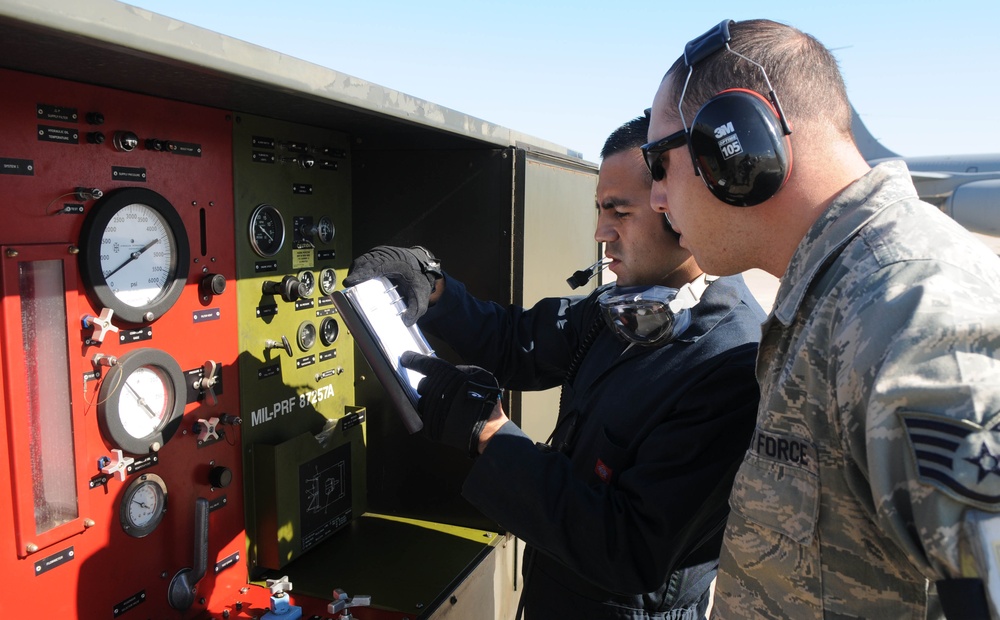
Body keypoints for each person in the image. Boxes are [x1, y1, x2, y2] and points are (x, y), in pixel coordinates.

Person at [645, 18, 1000, 619]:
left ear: (736, 145)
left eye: (659, 161)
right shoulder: (837, 295)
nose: (657, 196)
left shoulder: (905, 312)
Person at [344, 115, 766, 619]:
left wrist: (490, 434)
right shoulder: (623, 308)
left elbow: (629, 547)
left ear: (674, 210)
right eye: (599, 210)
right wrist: (435, 290)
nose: (600, 232)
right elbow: (515, 340)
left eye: (618, 211)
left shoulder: (730, 365)